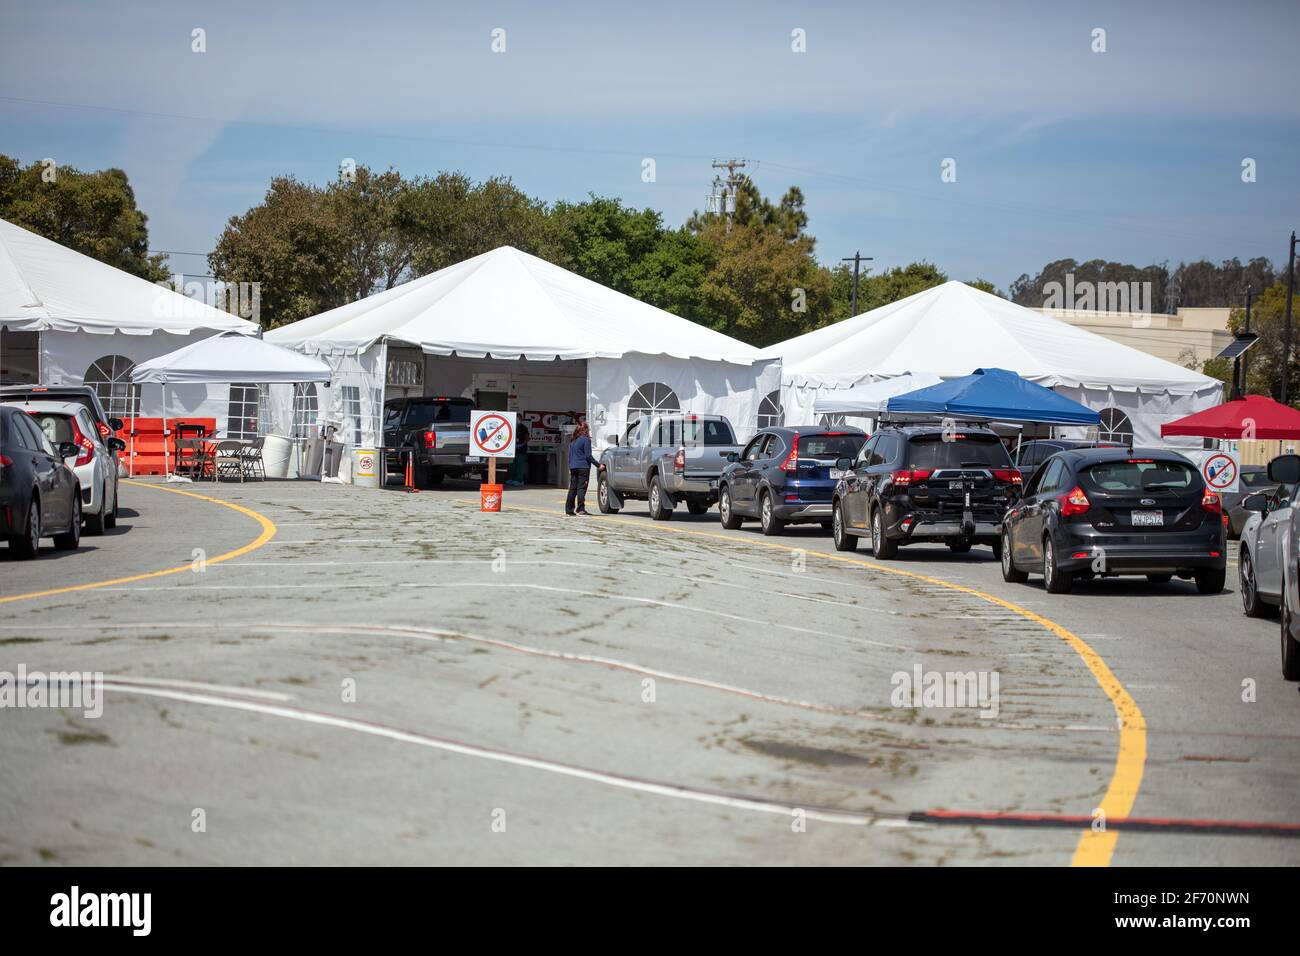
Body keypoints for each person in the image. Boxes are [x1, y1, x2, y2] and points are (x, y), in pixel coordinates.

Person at [566, 422, 604, 516]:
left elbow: (570, 456)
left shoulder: (573, 441)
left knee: (572, 489)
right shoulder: (585, 440)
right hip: (583, 467)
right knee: (581, 488)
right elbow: (588, 456)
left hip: (573, 467)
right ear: (585, 430)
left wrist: (570, 467)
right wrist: (599, 465)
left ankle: (569, 509)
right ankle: (580, 509)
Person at [506, 420, 530, 487]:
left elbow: (527, 438)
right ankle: (512, 479)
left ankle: (519, 480)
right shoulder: (512, 426)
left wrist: (522, 444)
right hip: (512, 450)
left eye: (519, 418)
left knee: (519, 466)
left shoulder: (523, 428)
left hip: (521, 450)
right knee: (512, 465)